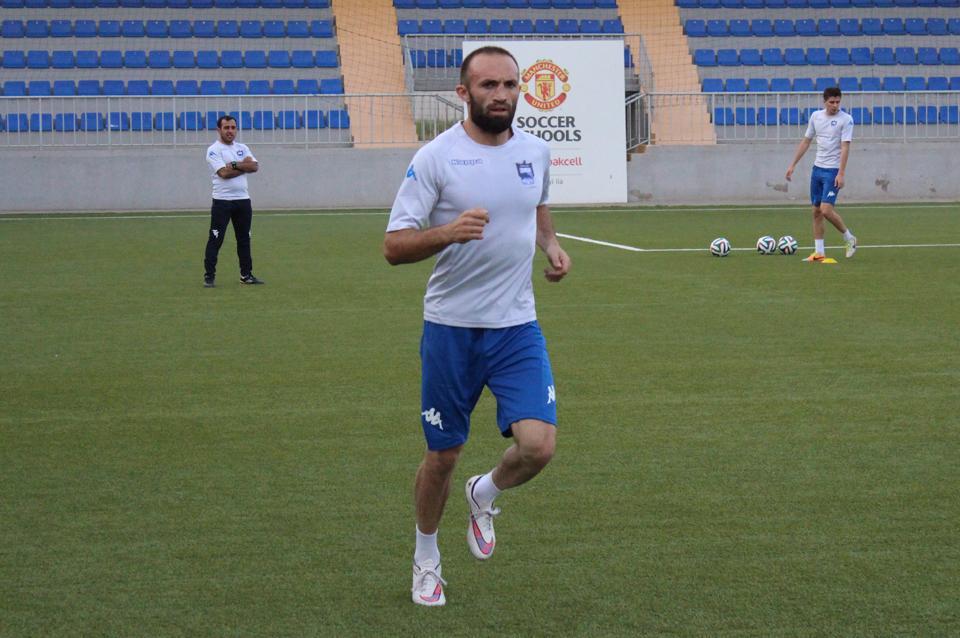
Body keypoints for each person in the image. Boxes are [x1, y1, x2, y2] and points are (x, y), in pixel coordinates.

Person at [383, 46, 571, 607]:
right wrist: (447, 232)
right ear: (464, 93)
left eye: (510, 85)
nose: (502, 95)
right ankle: (426, 556)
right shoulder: (436, 157)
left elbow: (537, 207)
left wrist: (551, 245)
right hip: (452, 329)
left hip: (516, 326)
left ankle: (484, 492)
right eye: (489, 85)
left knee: (538, 447)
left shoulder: (535, 151)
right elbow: (393, 246)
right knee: (442, 456)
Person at [786, 86, 858, 262]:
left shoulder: (846, 119)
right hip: (817, 169)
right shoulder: (815, 116)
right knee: (816, 211)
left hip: (832, 171)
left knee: (826, 210)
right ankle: (819, 252)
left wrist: (841, 173)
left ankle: (849, 238)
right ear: (824, 101)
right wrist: (793, 164)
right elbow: (806, 141)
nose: (835, 105)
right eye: (832, 102)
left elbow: (845, 147)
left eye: (838, 102)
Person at [203, 114, 264, 287]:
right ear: (219, 130)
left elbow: (255, 166)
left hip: (243, 200)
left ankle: (246, 275)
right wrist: (245, 166)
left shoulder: (242, 148)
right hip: (222, 201)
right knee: (216, 238)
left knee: (244, 239)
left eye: (233, 128)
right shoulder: (214, 150)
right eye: (226, 128)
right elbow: (223, 173)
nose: (230, 131)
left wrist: (236, 165)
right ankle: (209, 276)